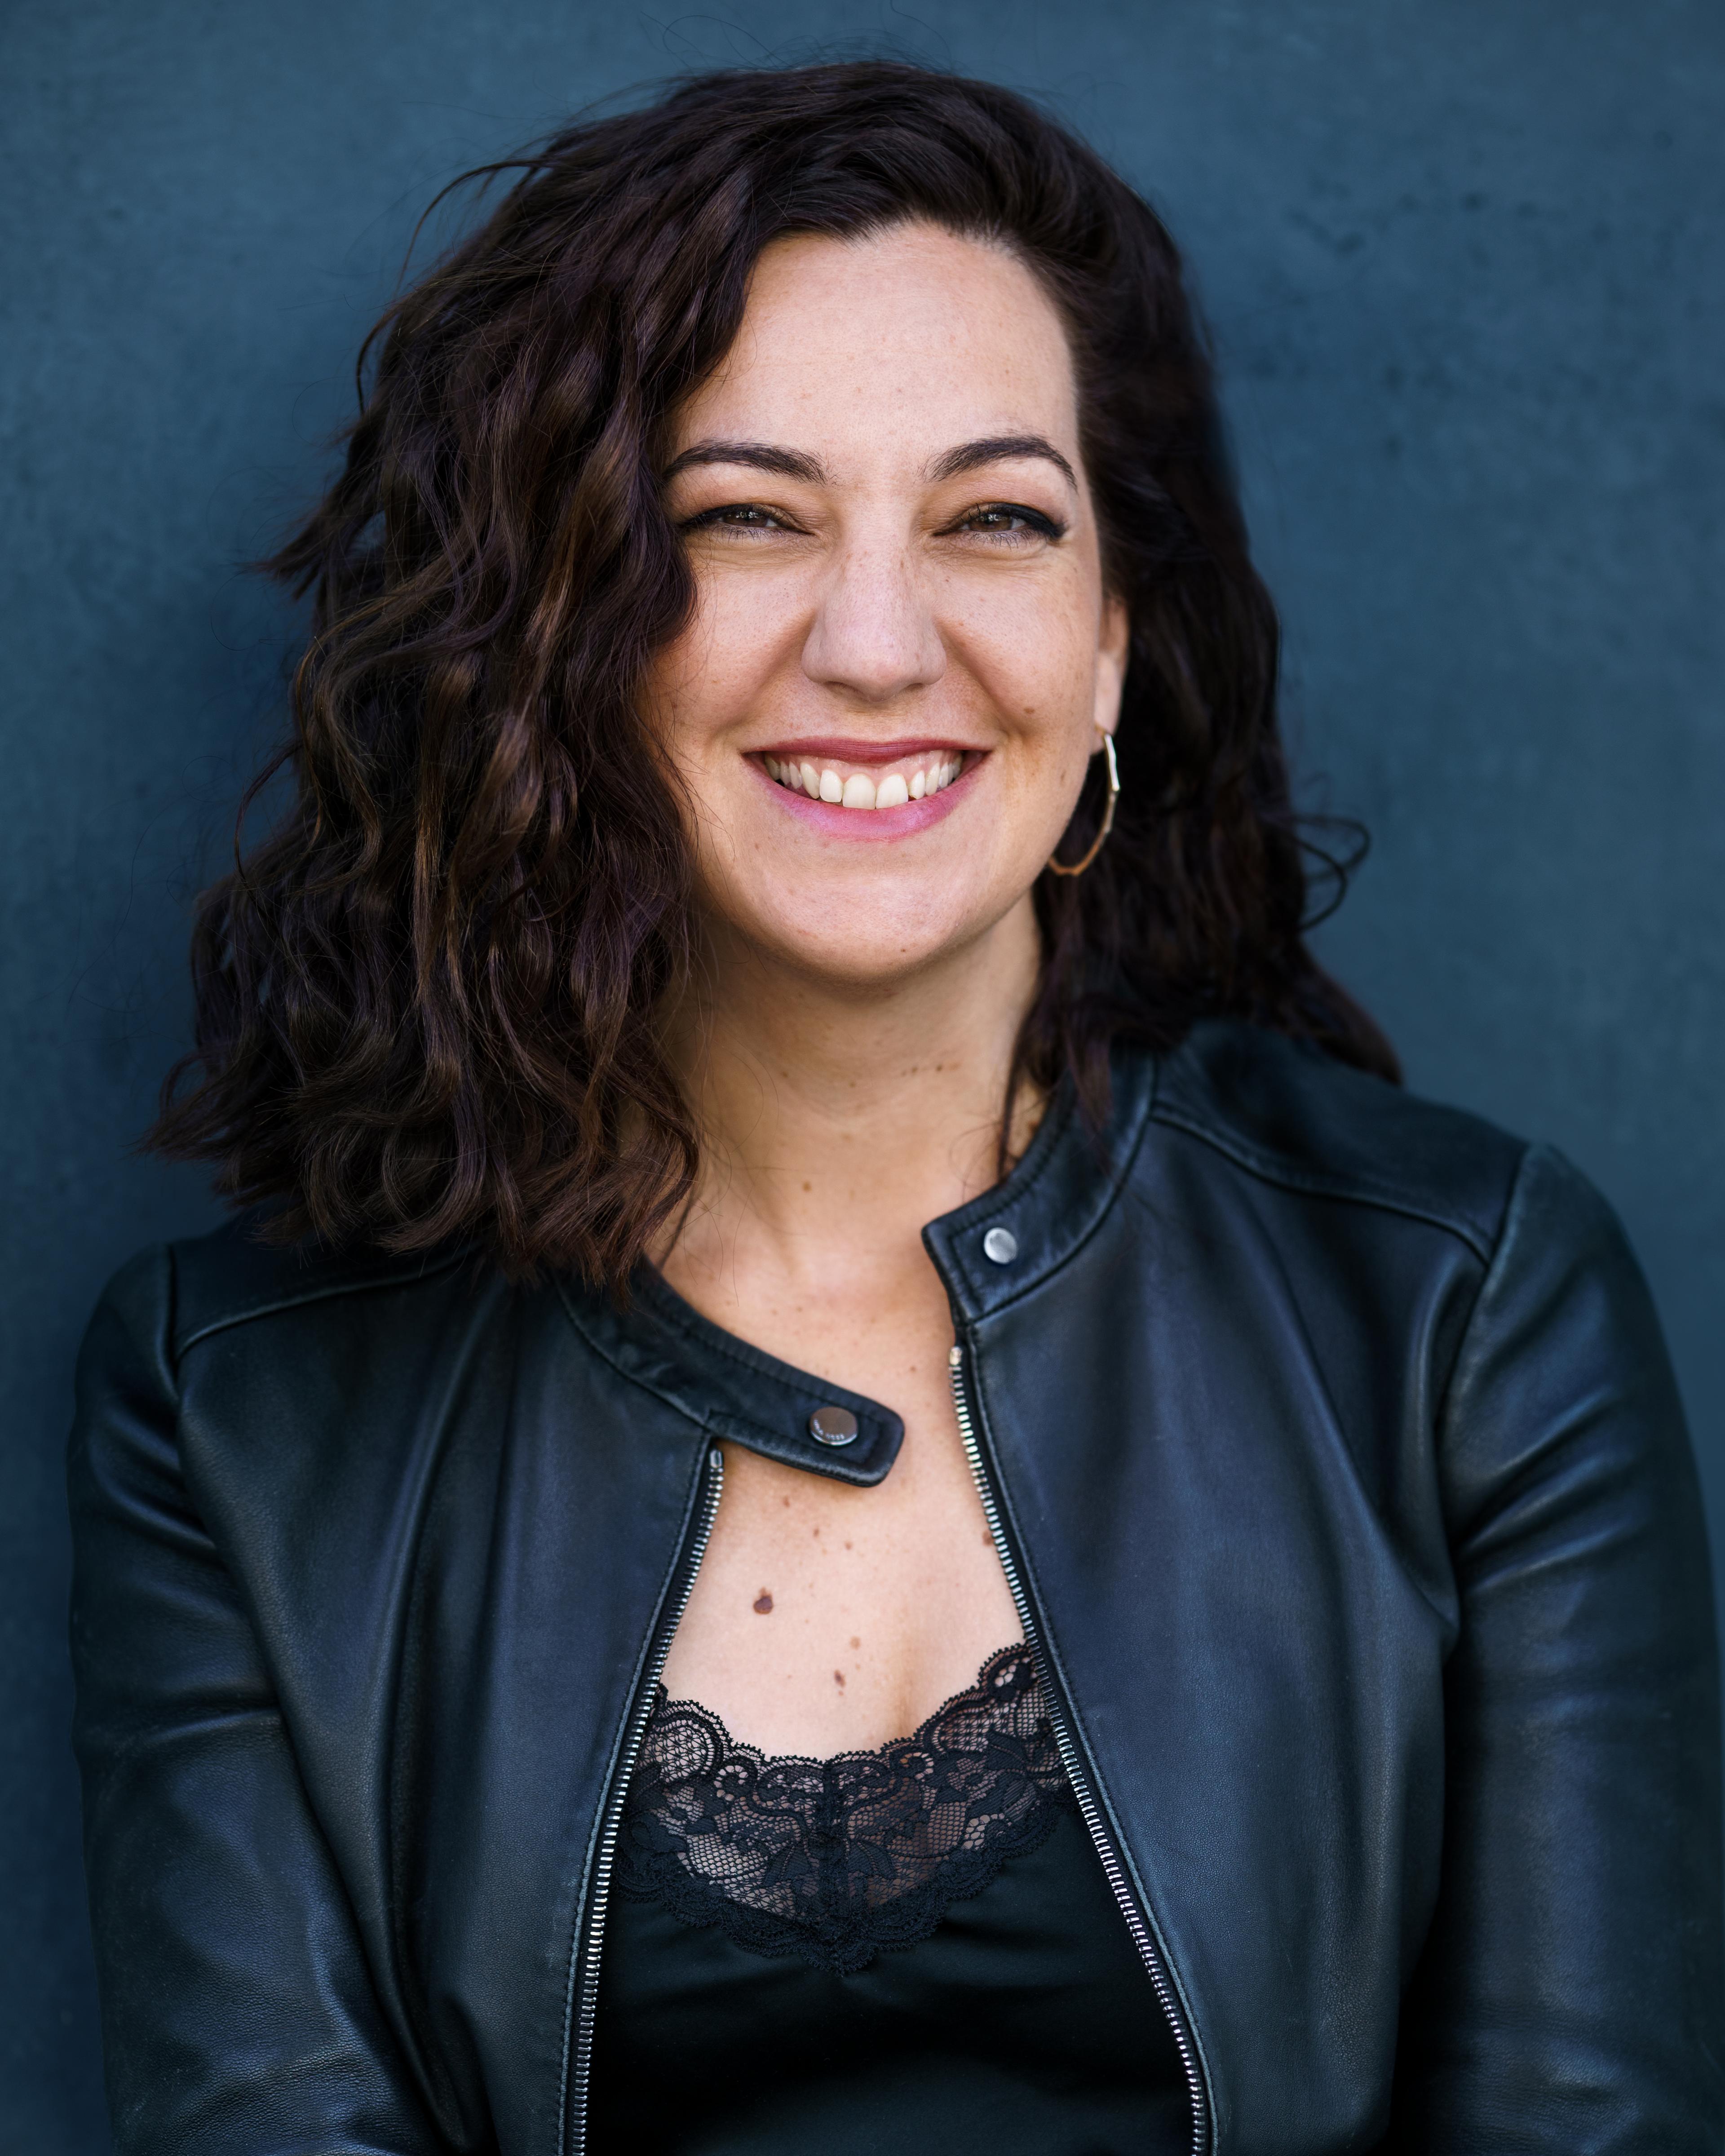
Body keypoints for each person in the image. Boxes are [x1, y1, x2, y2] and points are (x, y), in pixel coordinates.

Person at [68, 60, 1721, 2156]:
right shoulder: (232, 1411)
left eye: (994, 520)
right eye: (745, 518)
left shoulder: (1465, 1312)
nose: (875, 643)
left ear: (1110, 645)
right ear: (567, 631)